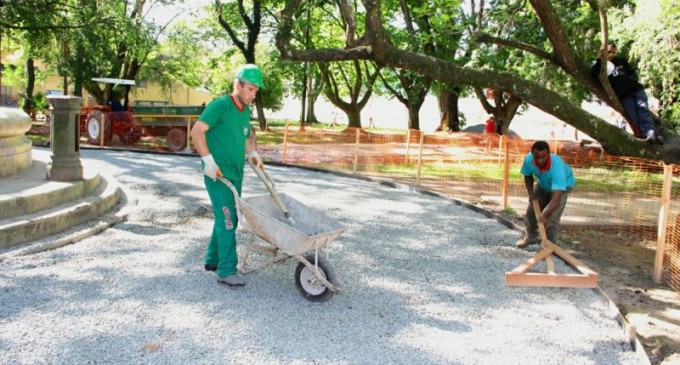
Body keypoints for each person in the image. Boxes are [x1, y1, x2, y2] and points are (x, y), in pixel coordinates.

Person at [190, 64, 266, 286]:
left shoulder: (244, 112)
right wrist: (208, 161)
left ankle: (213, 260)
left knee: (226, 216)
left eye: (255, 91)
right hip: (218, 174)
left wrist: (253, 153)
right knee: (228, 219)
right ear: (238, 85)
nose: (253, 95)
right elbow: (197, 132)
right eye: (251, 89)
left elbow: (247, 134)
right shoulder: (220, 106)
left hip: (235, 174)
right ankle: (226, 270)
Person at [591, 42, 661, 143]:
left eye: (613, 52)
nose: (611, 54)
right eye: (609, 52)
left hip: (636, 90)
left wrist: (631, 79)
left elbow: (632, 71)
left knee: (643, 110)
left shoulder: (621, 61)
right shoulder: (600, 66)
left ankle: (650, 133)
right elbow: (593, 74)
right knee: (634, 116)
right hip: (624, 96)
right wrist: (599, 59)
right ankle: (650, 136)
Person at [515, 141, 575, 249]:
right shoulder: (529, 160)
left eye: (543, 157)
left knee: (551, 219)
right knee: (531, 212)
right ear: (532, 154)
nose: (540, 160)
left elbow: (556, 198)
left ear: (548, 154)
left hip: (563, 187)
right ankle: (530, 237)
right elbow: (528, 176)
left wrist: (545, 214)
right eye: (536, 157)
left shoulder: (557, 168)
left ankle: (548, 246)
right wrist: (531, 194)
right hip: (543, 184)